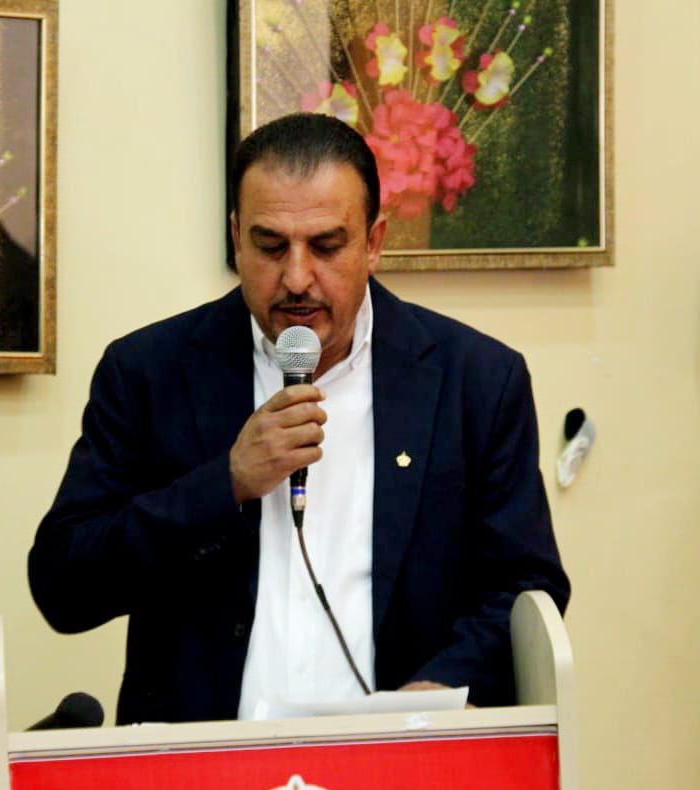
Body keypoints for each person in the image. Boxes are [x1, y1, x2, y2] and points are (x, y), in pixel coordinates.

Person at [28, 113, 569, 724]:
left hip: (400, 754)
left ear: (374, 243)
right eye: (270, 246)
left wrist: (442, 687)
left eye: (326, 246)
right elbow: (63, 587)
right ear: (236, 238)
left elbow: (526, 587)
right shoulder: (148, 371)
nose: (296, 278)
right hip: (202, 759)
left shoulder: (476, 380)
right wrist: (224, 484)